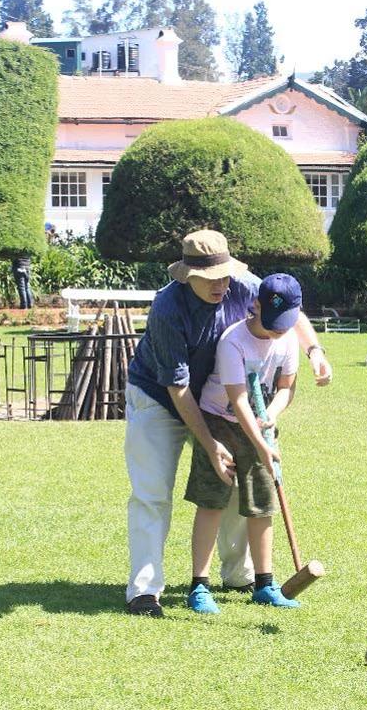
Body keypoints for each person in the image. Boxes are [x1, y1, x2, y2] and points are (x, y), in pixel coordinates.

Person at [125, 229, 332, 617]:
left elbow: (291, 311)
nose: (221, 284)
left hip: (218, 401)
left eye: (225, 275)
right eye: (210, 279)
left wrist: (314, 351)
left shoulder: (241, 285)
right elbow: (179, 389)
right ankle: (144, 590)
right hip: (160, 397)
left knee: (238, 487)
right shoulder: (168, 308)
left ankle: (240, 574)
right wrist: (209, 445)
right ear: (188, 276)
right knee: (152, 493)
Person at [185, 273, 303, 614]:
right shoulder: (232, 341)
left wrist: (272, 415)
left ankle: (265, 584)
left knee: (263, 503)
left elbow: (286, 386)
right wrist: (263, 447)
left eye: (284, 323)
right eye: (273, 322)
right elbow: (237, 401)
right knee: (212, 500)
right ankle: (199, 586)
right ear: (256, 306)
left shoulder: (288, 338)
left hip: (260, 424)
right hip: (219, 422)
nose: (278, 330)